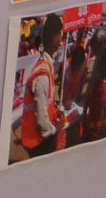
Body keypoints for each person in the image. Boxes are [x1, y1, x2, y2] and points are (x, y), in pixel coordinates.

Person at [13, 13, 68, 161]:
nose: (62, 41)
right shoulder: (43, 74)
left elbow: (45, 104)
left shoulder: (46, 65)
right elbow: (42, 123)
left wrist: (55, 113)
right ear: (54, 37)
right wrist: (56, 128)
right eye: (60, 35)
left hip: (38, 138)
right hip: (38, 141)